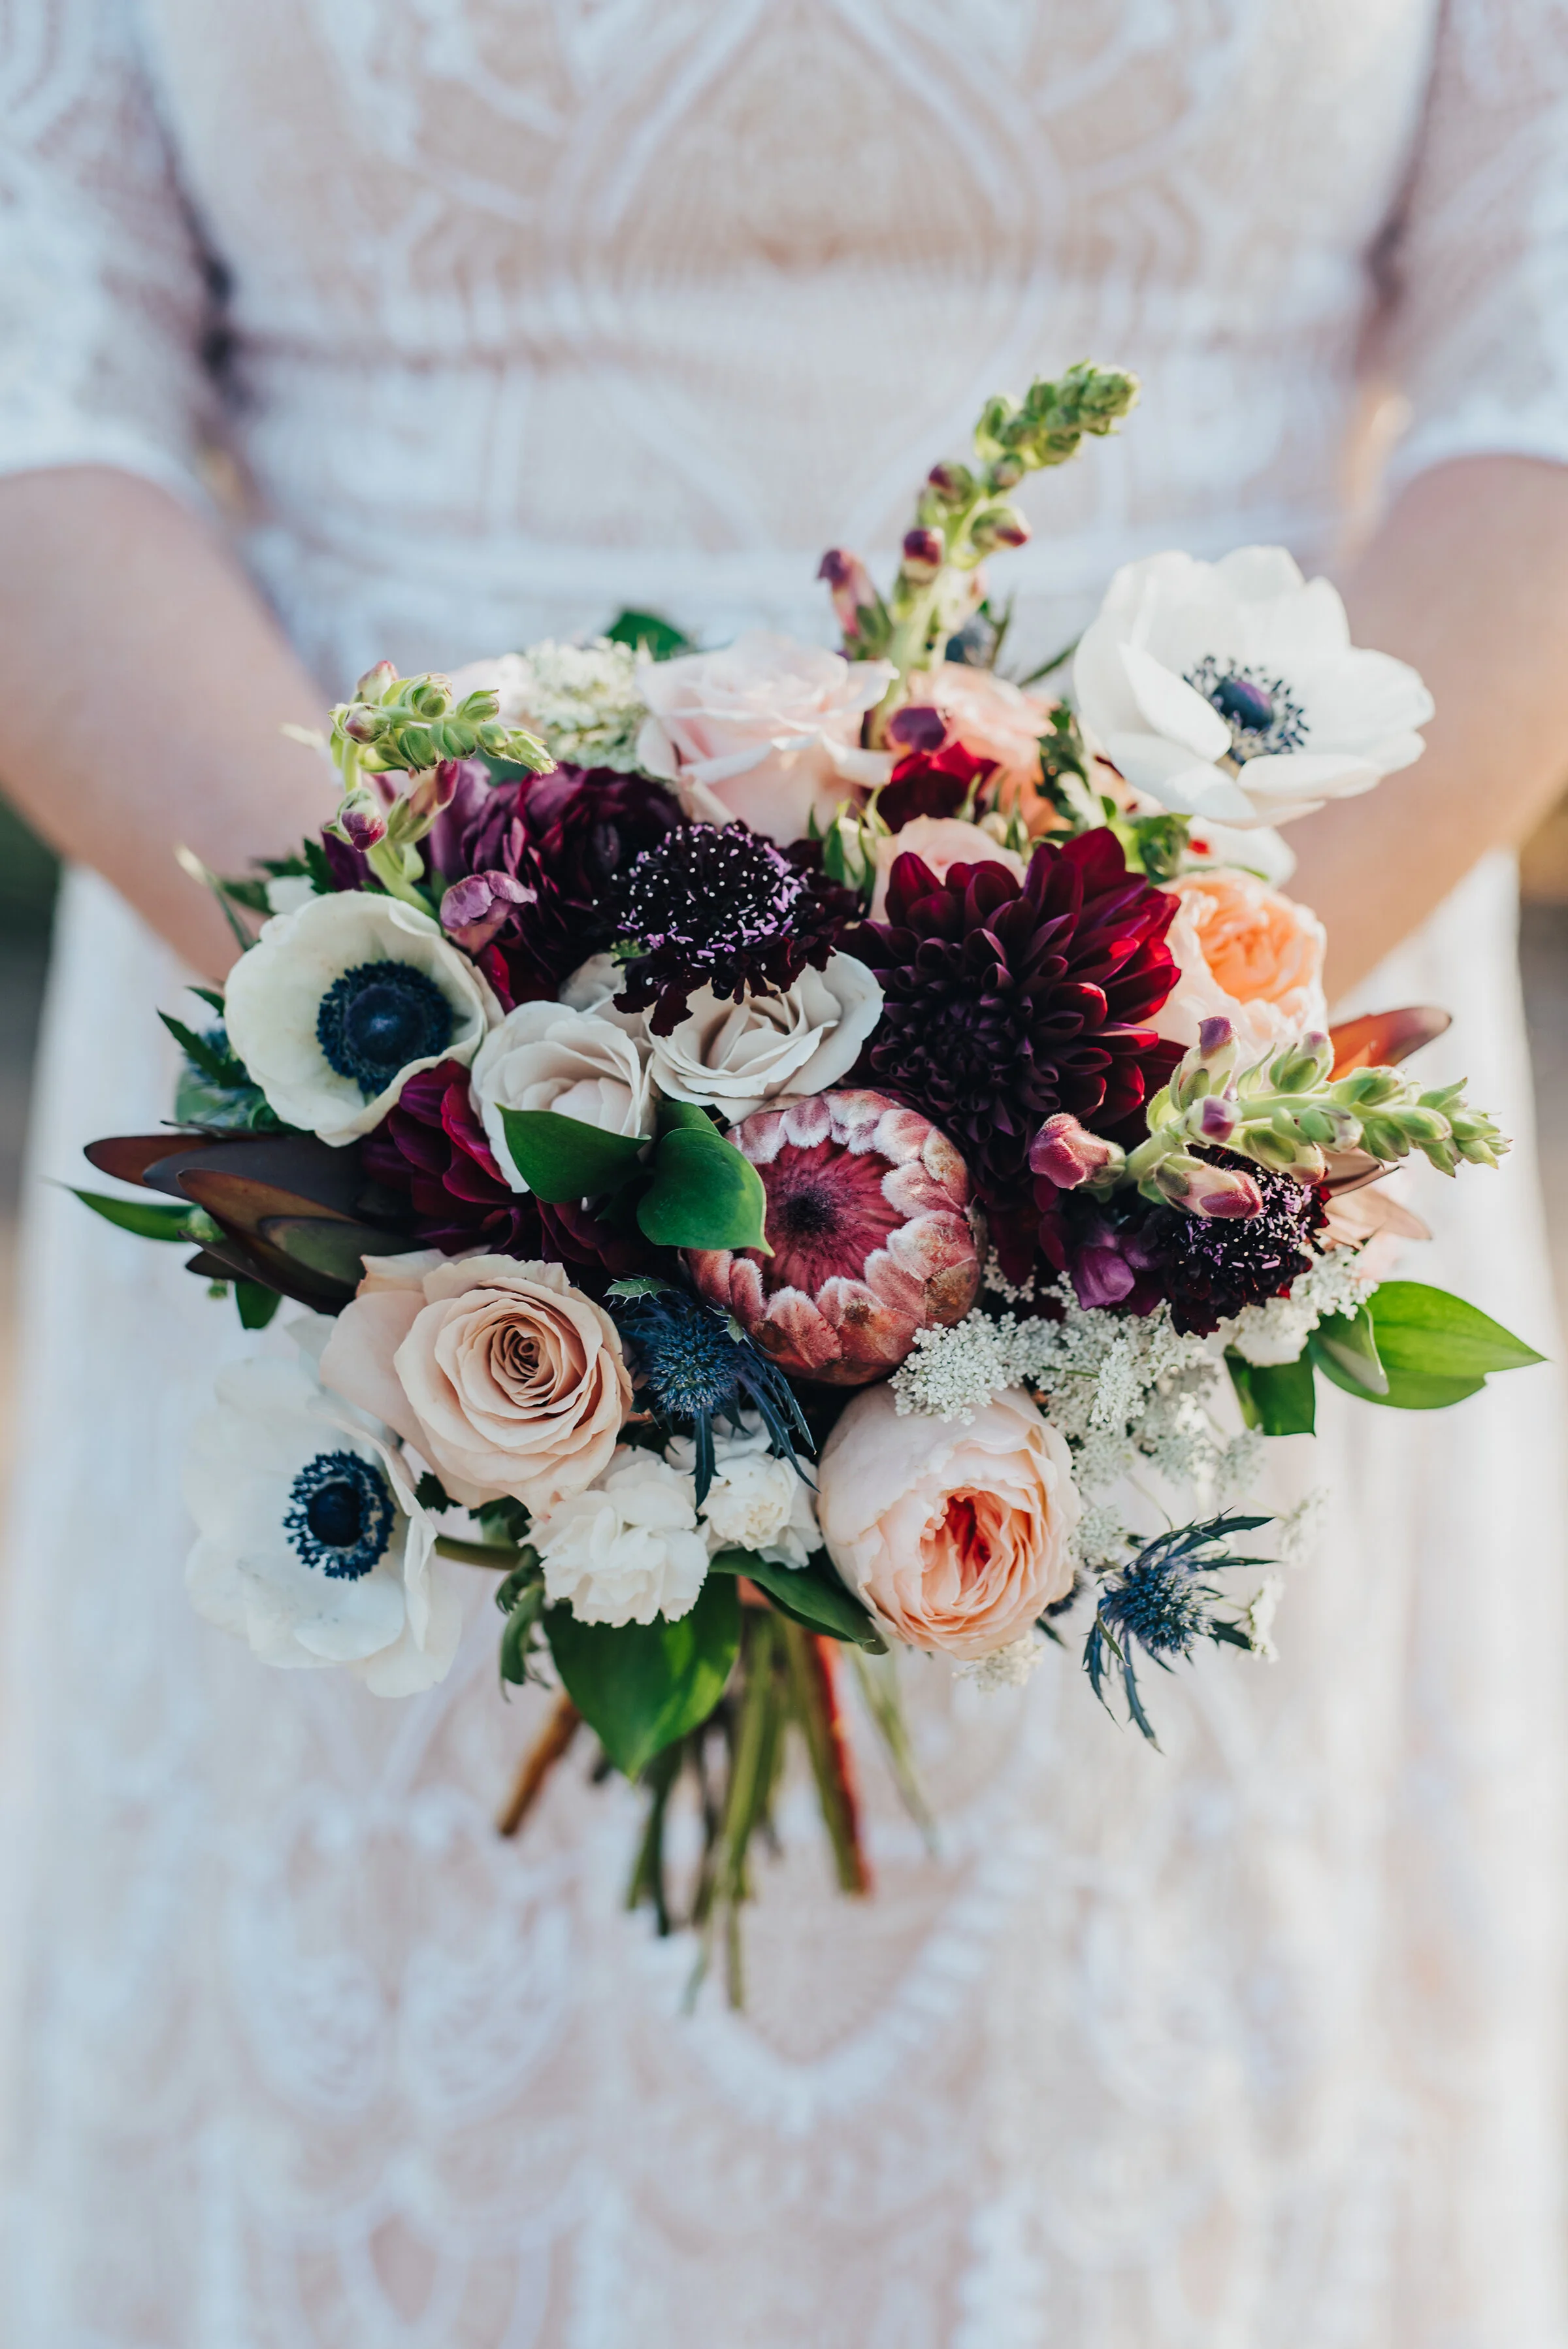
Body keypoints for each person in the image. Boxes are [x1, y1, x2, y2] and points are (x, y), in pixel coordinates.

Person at [1, 4, 1565, 2341]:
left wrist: (1110, 1112)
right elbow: (43, 397)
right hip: (359, 1141)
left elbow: (1539, 386)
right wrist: (456, 1081)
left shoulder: (1154, 1106)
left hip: (1195, 1106)